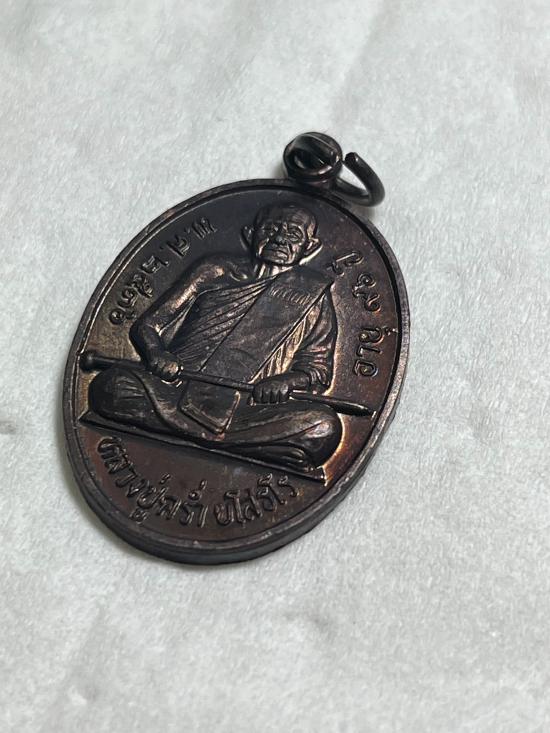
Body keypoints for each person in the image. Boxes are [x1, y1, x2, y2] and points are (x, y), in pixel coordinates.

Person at [89, 203, 342, 474]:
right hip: (175, 391)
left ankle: (201, 435)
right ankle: (247, 447)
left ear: (310, 247)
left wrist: (285, 382)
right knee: (110, 386)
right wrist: (157, 354)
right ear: (250, 234)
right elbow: (148, 325)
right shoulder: (216, 269)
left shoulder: (313, 293)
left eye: (293, 234)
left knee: (323, 427)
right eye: (271, 229)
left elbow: (317, 370)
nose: (279, 239)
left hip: (245, 408)